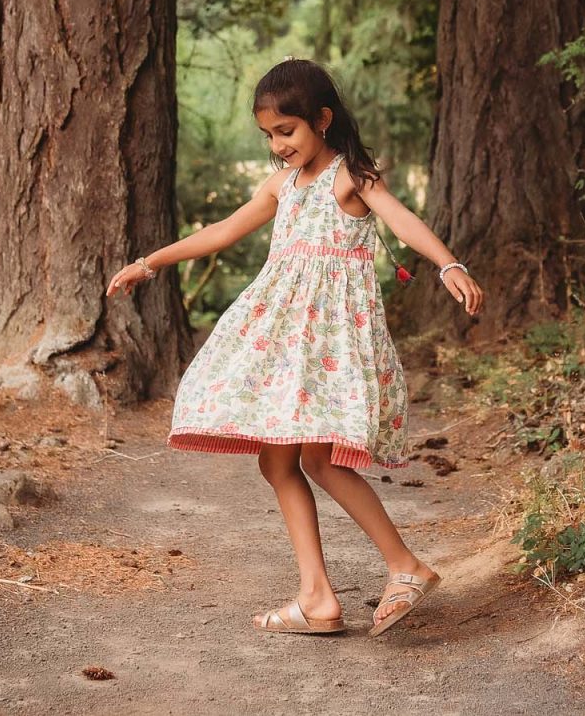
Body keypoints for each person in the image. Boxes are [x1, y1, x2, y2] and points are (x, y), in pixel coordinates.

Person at [106, 58, 484, 638]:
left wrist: (448, 264)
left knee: (319, 460)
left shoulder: (349, 176)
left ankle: (400, 567)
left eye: (287, 131)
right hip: (286, 339)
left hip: (329, 340)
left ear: (322, 120)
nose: (278, 145)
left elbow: (402, 220)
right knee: (279, 460)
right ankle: (318, 597)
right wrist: (149, 262)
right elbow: (223, 231)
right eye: (269, 135)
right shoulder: (282, 185)